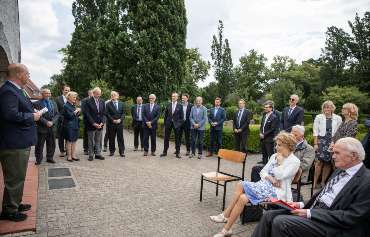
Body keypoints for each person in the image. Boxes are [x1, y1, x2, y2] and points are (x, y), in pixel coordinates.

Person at [251, 137, 370, 237]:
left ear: (353, 156)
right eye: (333, 152)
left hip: (333, 225)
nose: (333, 157)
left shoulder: (366, 181)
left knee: (281, 222)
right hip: (317, 211)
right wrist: (301, 204)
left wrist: (309, 213)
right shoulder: (341, 170)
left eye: (337, 153)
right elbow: (322, 196)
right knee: (269, 215)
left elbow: (352, 217)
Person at [210, 132, 300, 237]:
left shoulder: (294, 161)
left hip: (277, 192)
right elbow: (262, 172)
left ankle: (225, 223)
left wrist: (279, 163)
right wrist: (270, 177)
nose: (276, 147)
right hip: (264, 185)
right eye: (276, 144)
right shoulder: (274, 156)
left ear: (287, 146)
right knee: (241, 190)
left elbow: (280, 176)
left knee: (242, 193)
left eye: (279, 145)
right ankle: (226, 224)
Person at [0, 63, 41, 222]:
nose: (29, 77)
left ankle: (14, 203)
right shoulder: (8, 92)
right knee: (14, 178)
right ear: (19, 74)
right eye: (28, 74)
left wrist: (32, 113)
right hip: (14, 142)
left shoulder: (16, 91)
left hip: (19, 140)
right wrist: (32, 117)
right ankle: (10, 210)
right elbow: (9, 115)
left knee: (18, 176)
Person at [313, 100, 342, 189]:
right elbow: (315, 131)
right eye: (325, 107)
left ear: (332, 108)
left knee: (328, 163)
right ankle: (314, 183)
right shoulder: (319, 117)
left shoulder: (338, 118)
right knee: (319, 162)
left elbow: (338, 132)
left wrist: (336, 142)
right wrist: (315, 143)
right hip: (321, 141)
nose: (327, 109)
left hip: (332, 142)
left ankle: (323, 182)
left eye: (329, 107)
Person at [33, 88, 59, 165]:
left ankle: (50, 158)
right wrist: (46, 122)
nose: (48, 95)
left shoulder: (53, 103)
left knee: (51, 143)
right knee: (39, 144)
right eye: (46, 93)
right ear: (42, 94)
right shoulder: (36, 103)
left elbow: (57, 114)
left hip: (52, 127)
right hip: (42, 127)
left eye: (49, 93)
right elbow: (37, 116)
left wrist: (52, 122)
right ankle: (38, 159)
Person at [83, 87, 106, 161]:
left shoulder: (102, 101)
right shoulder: (88, 101)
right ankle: (91, 155)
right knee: (91, 140)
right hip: (91, 125)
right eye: (97, 94)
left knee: (98, 140)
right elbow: (87, 114)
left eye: (100, 94)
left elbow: (104, 113)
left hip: (100, 124)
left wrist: (102, 122)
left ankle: (98, 154)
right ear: (93, 93)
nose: (99, 95)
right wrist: (93, 123)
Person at [161, 92, 184, 158]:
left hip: (176, 125)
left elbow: (182, 117)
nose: (173, 97)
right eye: (172, 96)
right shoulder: (168, 105)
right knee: (166, 138)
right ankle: (164, 152)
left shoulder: (180, 106)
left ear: (177, 97)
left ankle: (177, 153)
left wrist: (179, 124)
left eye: (175, 96)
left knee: (177, 139)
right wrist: (165, 124)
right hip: (168, 124)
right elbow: (165, 116)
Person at [105, 91, 125, 157]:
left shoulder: (121, 103)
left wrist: (120, 119)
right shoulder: (108, 104)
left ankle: (122, 152)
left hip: (120, 124)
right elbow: (107, 114)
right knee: (111, 138)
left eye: (114, 95)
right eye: (112, 95)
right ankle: (112, 151)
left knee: (120, 138)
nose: (113, 96)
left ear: (117, 96)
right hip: (111, 123)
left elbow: (123, 114)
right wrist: (113, 120)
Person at [63, 92, 81, 162]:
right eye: (73, 97)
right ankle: (69, 156)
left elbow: (76, 116)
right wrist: (76, 111)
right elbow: (69, 116)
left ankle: (73, 155)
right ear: (69, 97)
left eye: (75, 97)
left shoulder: (73, 105)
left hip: (75, 125)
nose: (75, 98)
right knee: (69, 141)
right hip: (69, 126)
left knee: (74, 141)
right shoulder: (66, 106)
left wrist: (79, 112)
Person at [55, 85, 70, 157]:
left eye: (68, 90)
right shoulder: (58, 99)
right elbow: (56, 111)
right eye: (66, 90)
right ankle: (62, 151)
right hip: (61, 122)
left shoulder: (71, 98)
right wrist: (61, 117)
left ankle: (67, 150)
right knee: (61, 137)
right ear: (63, 91)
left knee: (68, 136)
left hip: (69, 122)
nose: (67, 91)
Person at [81, 89, 93, 155]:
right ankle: (86, 149)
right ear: (88, 94)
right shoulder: (84, 100)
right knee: (86, 135)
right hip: (87, 121)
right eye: (91, 93)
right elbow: (83, 111)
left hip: (94, 121)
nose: (92, 95)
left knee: (93, 136)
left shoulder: (95, 100)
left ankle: (92, 148)